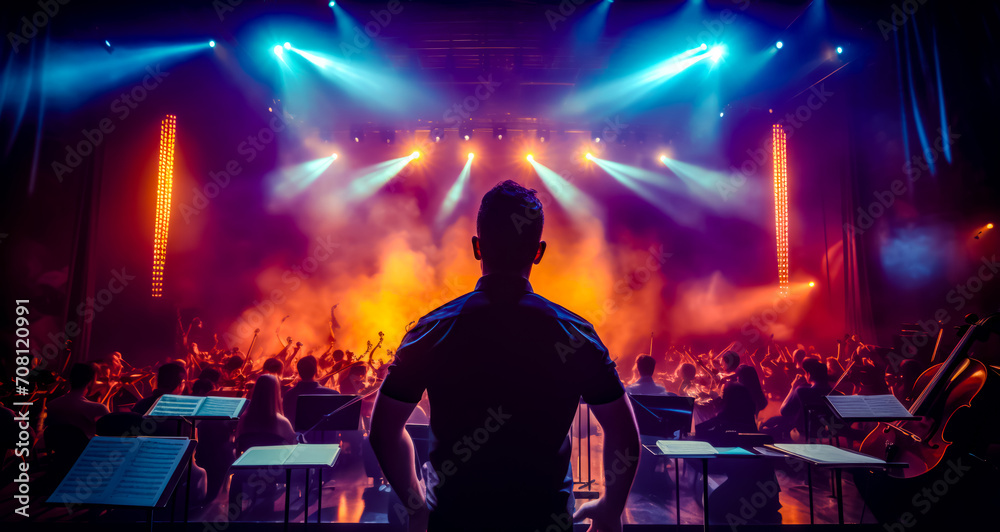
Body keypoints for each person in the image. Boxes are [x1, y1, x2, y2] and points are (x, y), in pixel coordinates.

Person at [369, 181, 640, 532]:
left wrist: (416, 505)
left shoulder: (433, 329)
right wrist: (611, 508)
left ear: (477, 247)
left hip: (454, 520)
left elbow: (383, 430)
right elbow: (623, 432)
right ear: (538, 251)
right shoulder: (575, 333)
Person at [45, 363, 110, 439]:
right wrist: (108, 394)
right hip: (85, 450)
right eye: (97, 380)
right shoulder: (98, 408)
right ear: (90, 382)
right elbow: (111, 434)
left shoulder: (51, 405)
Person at [236, 374, 296, 445]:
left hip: (251, 456)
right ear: (276, 393)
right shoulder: (282, 422)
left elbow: (238, 443)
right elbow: (293, 445)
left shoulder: (243, 419)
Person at [283, 355, 339, 429]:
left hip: (296, 439)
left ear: (298, 371)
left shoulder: (289, 395)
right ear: (316, 371)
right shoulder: (333, 395)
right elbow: (337, 424)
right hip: (324, 440)